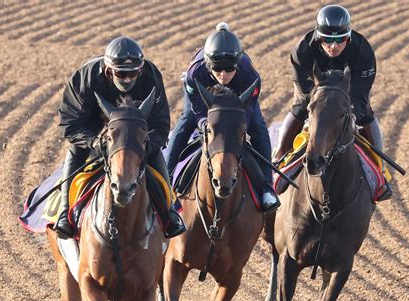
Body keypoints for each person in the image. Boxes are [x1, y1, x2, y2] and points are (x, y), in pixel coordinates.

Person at [54, 36, 186, 238]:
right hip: (93, 124)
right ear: (108, 70)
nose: (127, 79)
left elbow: (160, 126)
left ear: (140, 69)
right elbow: (70, 124)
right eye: (121, 73)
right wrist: (94, 142)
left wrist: (144, 148)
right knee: (75, 151)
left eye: (132, 73)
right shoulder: (85, 78)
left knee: (155, 155)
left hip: (137, 129)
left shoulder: (151, 77)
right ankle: (65, 213)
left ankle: (169, 213)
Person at [274, 4, 392, 200]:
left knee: (365, 114)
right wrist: (316, 110)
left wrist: (352, 113)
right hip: (313, 91)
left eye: (340, 39)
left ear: (349, 36)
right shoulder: (302, 51)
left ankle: (380, 171)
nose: (334, 46)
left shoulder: (363, 52)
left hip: (349, 91)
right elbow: (304, 91)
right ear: (318, 35)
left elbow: (360, 93)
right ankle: (279, 159)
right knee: (300, 108)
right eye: (327, 39)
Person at [165, 22, 280, 212]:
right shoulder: (195, 74)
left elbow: (248, 113)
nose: (223, 75)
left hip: (239, 99)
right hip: (203, 101)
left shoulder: (251, 77)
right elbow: (197, 110)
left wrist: (237, 126)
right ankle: (167, 184)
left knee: (258, 128)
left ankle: (267, 187)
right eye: (217, 69)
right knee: (184, 124)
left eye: (229, 69)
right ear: (208, 65)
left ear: (237, 64)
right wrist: (205, 124)